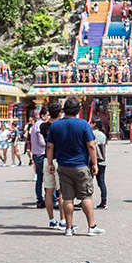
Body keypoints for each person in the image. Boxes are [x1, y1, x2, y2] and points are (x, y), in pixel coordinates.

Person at [45, 97, 101, 236]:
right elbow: (91, 145)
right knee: (86, 196)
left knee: (67, 197)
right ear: (78, 110)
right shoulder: (83, 124)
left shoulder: (55, 125)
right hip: (80, 165)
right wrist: (94, 163)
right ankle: (91, 227)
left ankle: (68, 228)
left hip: (63, 165)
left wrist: (50, 163)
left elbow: (50, 146)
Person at [42, 102, 63, 228]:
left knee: (49, 191)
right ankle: (63, 219)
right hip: (59, 159)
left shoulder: (43, 126)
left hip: (47, 159)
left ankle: (51, 219)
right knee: (62, 192)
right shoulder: (60, 126)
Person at [92, 120, 108, 209]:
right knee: (101, 182)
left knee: (87, 182)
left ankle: (85, 200)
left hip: (94, 160)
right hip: (102, 160)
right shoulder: (103, 134)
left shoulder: (92, 133)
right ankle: (104, 201)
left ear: (94, 124)